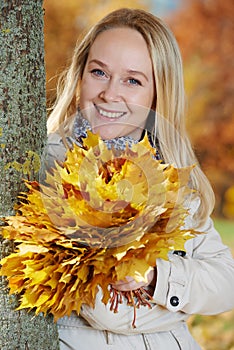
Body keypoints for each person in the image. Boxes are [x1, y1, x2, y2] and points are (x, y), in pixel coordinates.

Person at [45, 8, 234, 350]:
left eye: (133, 80)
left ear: (157, 94)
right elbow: (107, 312)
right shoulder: (53, 164)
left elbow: (227, 282)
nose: (110, 94)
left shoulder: (169, 170)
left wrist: (156, 276)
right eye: (99, 72)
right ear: (80, 75)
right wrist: (180, 308)